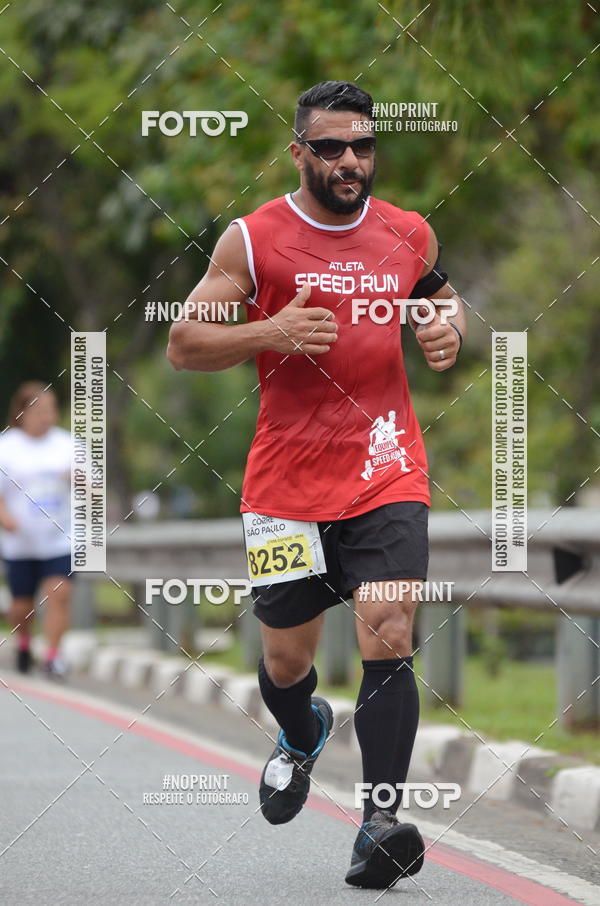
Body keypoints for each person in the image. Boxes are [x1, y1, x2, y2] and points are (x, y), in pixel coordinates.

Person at [167, 80, 466, 890]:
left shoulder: (407, 232)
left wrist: (447, 330)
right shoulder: (254, 240)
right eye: (329, 147)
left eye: (362, 147)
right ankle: (301, 735)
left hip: (386, 465)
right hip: (283, 486)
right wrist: (271, 331)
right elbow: (184, 342)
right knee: (288, 662)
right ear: (298, 151)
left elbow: (444, 300)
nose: (348, 161)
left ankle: (379, 824)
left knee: (389, 624)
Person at [0, 382, 72, 678]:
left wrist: (82, 483)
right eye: (40, 411)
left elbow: (93, 486)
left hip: (59, 538)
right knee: (21, 606)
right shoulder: (7, 447)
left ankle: (53, 656)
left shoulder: (67, 445)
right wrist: (4, 517)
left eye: (52, 410)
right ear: (21, 414)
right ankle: (25, 641)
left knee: (60, 593)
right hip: (21, 543)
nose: (47, 417)